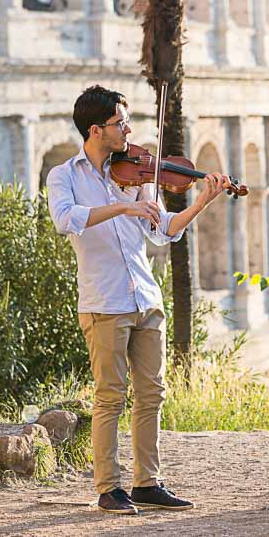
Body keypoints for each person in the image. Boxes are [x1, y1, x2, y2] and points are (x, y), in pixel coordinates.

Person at [47, 85, 233, 515]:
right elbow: (64, 220)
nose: (128, 130)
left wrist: (201, 201)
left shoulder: (137, 173)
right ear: (96, 130)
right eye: (120, 124)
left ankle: (147, 482)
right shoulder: (66, 176)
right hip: (104, 301)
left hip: (145, 296)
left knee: (153, 393)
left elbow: (164, 228)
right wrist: (121, 208)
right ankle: (108, 488)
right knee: (110, 396)